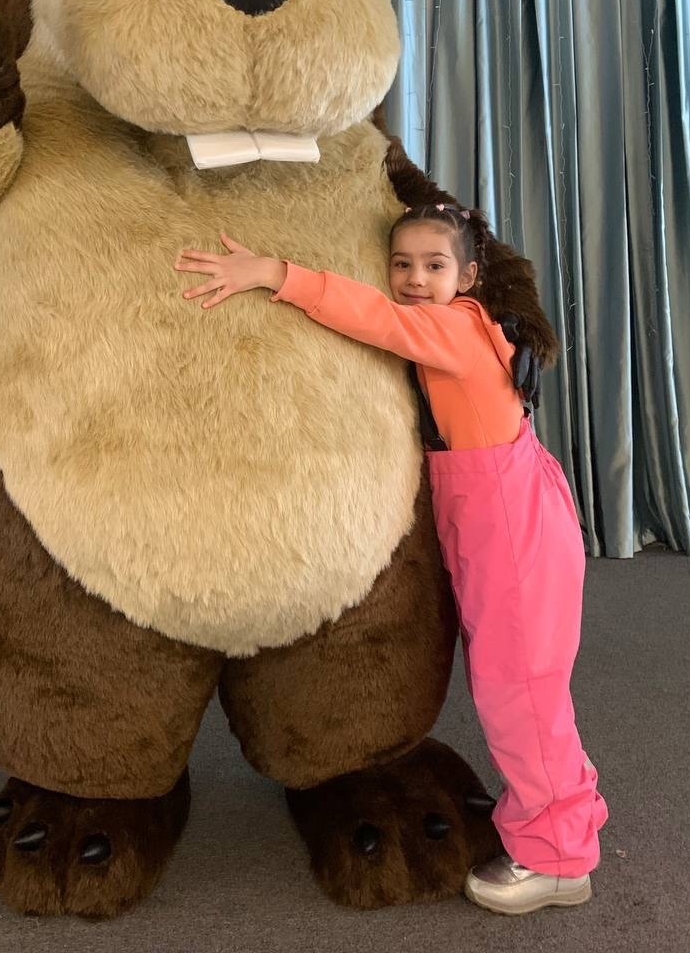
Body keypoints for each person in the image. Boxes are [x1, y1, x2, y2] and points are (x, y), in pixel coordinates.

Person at [173, 202, 608, 916]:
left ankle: (559, 858)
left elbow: (374, 317)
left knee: (519, 693)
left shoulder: (450, 328)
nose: (413, 279)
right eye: (401, 264)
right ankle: (568, 808)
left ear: (468, 276)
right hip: (502, 507)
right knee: (527, 686)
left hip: (508, 523)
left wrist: (275, 273)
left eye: (434, 266)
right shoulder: (466, 320)